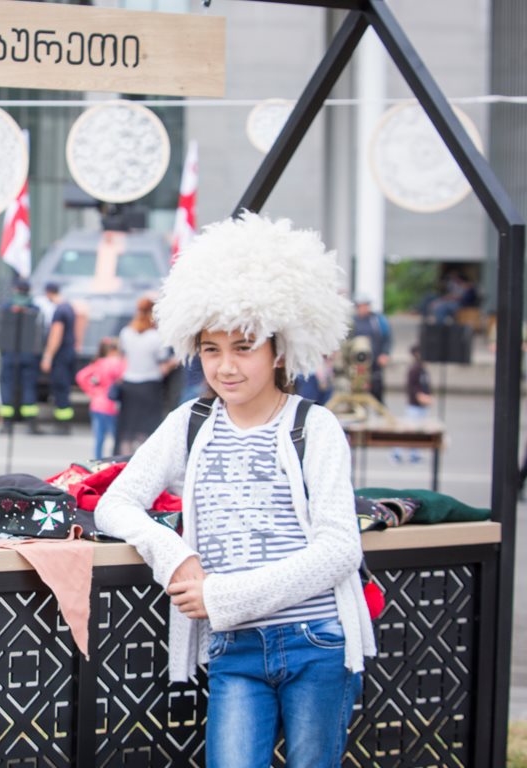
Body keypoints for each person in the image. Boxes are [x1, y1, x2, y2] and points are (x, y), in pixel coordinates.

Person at [95, 212, 374, 768]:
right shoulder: (190, 423)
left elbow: (341, 548)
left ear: (278, 350)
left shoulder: (314, 426)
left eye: (244, 347)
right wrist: (176, 556)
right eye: (211, 349)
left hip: (318, 641)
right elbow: (114, 504)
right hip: (233, 648)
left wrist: (224, 597)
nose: (225, 366)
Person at [115, 296, 177, 455]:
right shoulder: (156, 337)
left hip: (129, 384)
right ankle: (144, 458)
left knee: (128, 427)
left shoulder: (126, 332)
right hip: (150, 385)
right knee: (146, 428)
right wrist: (176, 361)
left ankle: (124, 459)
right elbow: (162, 362)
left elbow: (123, 356)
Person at [0, 278, 42, 431]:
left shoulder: (6, 307)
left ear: (15, 290)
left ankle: (7, 423)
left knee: (7, 386)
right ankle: (31, 423)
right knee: (29, 387)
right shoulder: (35, 309)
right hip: (29, 355)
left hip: (9, 354)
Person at [76, 337, 126, 460]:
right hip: (112, 405)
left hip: (97, 404)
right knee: (116, 436)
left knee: (99, 437)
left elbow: (81, 376)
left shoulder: (98, 363)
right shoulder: (118, 363)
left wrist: (92, 391)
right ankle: (116, 460)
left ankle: (97, 461)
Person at [39, 282, 79, 434]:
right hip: (69, 353)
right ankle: (64, 423)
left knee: (60, 389)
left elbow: (56, 335)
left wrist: (48, 356)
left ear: (48, 293)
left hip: (60, 356)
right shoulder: (68, 307)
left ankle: (62, 425)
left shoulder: (59, 311)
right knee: (65, 388)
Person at [394, 344, 434, 464]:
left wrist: (428, 396)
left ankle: (414, 454)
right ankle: (397, 452)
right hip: (414, 405)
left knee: (418, 431)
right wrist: (420, 396)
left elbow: (426, 385)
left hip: (421, 405)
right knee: (409, 430)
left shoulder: (423, 369)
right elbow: (412, 387)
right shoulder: (414, 369)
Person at [350, 292, 391, 404]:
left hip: (375, 362)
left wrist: (385, 354)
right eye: (361, 306)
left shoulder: (378, 320)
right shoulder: (353, 322)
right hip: (357, 364)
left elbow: (387, 338)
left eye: (365, 305)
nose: (363, 308)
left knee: (377, 389)